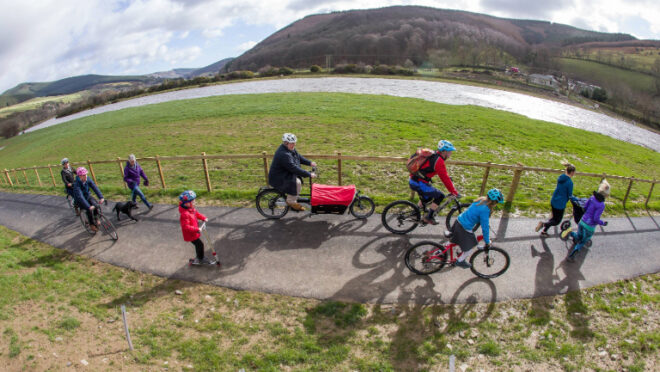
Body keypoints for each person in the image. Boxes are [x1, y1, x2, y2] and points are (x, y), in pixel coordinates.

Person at [408, 139, 460, 225]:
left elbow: (443, 175)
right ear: (445, 152)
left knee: (427, 198)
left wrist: (448, 179)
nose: (451, 153)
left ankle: (415, 212)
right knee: (440, 196)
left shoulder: (435, 154)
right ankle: (429, 217)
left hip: (414, 180)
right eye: (450, 151)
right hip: (418, 183)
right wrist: (453, 191)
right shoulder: (439, 161)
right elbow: (444, 178)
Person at [450, 188, 504, 268]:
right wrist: (487, 241)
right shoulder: (486, 209)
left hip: (459, 221)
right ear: (494, 202)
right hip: (464, 227)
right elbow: (485, 228)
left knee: (456, 240)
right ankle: (460, 261)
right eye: (497, 203)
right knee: (470, 248)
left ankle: (440, 251)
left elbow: (474, 214)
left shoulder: (480, 200)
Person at [562, 179, 609, 261]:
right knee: (583, 241)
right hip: (589, 226)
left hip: (582, 221)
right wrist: (602, 223)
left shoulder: (592, 198)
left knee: (579, 235)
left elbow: (585, 207)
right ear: (606, 195)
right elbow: (595, 218)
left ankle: (571, 233)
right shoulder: (601, 205)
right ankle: (572, 255)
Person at [268, 133, 317, 211]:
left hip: (284, 172)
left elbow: (298, 157)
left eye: (294, 143)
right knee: (297, 182)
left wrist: (310, 163)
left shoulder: (289, 149)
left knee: (297, 180)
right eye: (292, 143)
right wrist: (309, 174)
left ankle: (294, 198)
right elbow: (294, 168)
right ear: (285, 143)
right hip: (278, 176)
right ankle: (291, 201)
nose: (293, 145)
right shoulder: (284, 154)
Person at [535, 163, 578, 237]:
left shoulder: (561, 177)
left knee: (553, 218)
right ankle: (543, 224)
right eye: (574, 172)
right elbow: (570, 195)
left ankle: (544, 231)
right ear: (572, 172)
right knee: (556, 221)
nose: (574, 173)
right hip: (560, 204)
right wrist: (577, 199)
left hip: (554, 200)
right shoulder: (570, 182)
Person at [178, 190, 212, 265]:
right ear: (187, 203)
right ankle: (201, 258)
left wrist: (203, 218)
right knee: (200, 244)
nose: (194, 203)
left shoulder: (191, 209)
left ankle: (199, 257)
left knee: (198, 245)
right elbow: (185, 227)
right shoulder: (185, 214)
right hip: (190, 234)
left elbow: (197, 214)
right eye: (193, 202)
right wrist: (197, 229)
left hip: (194, 233)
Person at [72, 167, 104, 232]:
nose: (86, 176)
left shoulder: (87, 179)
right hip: (80, 200)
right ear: (80, 176)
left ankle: (96, 218)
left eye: (86, 174)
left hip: (87, 196)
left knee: (96, 205)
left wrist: (101, 197)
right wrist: (88, 206)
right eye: (84, 175)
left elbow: (94, 187)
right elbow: (80, 197)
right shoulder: (76, 185)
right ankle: (91, 224)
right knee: (89, 210)